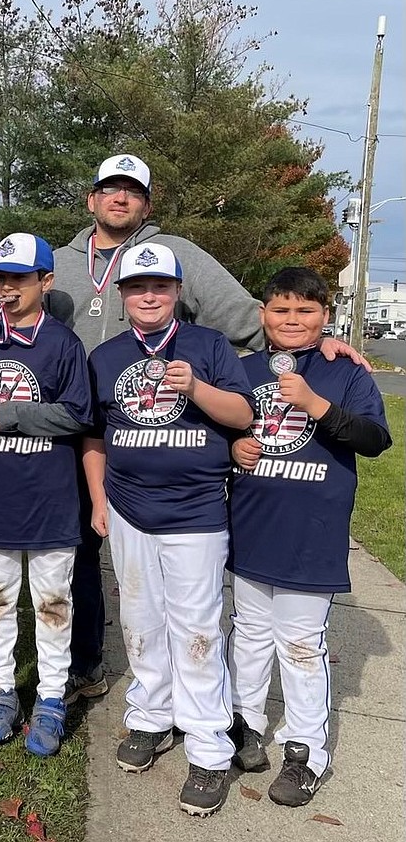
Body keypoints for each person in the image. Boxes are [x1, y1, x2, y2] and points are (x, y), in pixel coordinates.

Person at [49, 152, 369, 706]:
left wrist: (316, 346)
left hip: (165, 432)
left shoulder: (180, 256)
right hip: (75, 428)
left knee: (168, 586)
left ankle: (182, 696)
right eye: (109, 188)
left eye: (132, 191)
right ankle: (83, 663)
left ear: (146, 203)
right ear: (91, 198)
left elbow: (249, 319)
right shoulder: (59, 263)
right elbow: (21, 317)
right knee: (74, 551)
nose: (119, 198)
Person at [83, 242, 255, 817]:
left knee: (197, 625)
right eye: (138, 286)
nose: (149, 295)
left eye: (159, 286)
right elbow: (95, 435)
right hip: (129, 507)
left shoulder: (208, 345)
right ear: (122, 294)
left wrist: (197, 389)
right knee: (139, 618)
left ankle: (208, 744)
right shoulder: (107, 355)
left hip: (196, 509)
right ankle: (151, 716)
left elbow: (243, 415)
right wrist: (99, 499)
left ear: (178, 292)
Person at [227, 267, 391, 807]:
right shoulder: (242, 367)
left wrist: (315, 405)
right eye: (280, 309)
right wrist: (234, 449)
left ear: (326, 316)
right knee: (249, 632)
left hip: (311, 532)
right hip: (251, 526)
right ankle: (245, 725)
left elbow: (373, 439)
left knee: (300, 644)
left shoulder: (346, 373)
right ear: (262, 315)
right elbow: (222, 427)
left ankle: (305, 751)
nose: (291, 320)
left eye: (305, 311)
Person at [0, 233, 92, 757]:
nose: (7, 288)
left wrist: (8, 414)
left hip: (50, 496)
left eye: (19, 278)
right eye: (0, 278)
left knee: (52, 600)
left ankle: (51, 697)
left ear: (46, 281)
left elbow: (79, 414)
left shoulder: (63, 343)